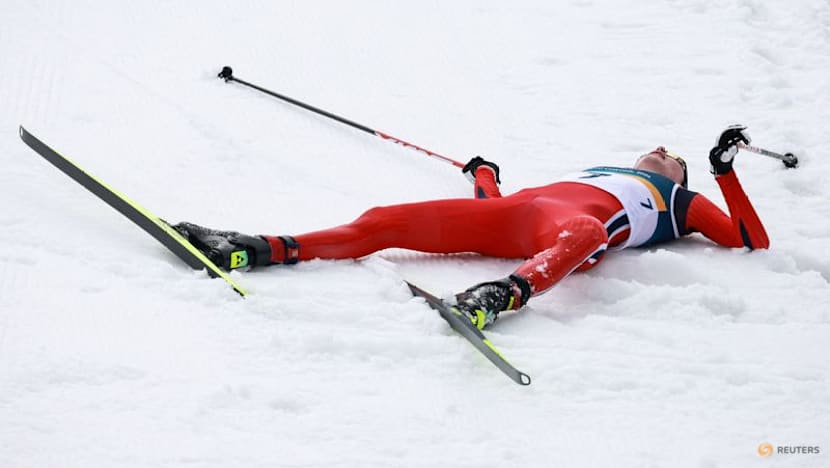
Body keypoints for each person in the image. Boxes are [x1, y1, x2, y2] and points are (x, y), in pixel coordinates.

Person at [174, 125, 769, 329]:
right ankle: (256, 248)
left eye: (671, 153)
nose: (660, 150)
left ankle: (500, 295)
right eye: (657, 148)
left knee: (585, 236)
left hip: (571, 233)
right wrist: (485, 177)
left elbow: (750, 239)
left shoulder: (676, 199)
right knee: (386, 220)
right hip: (518, 216)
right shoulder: (599, 167)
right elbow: (506, 203)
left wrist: (722, 173)